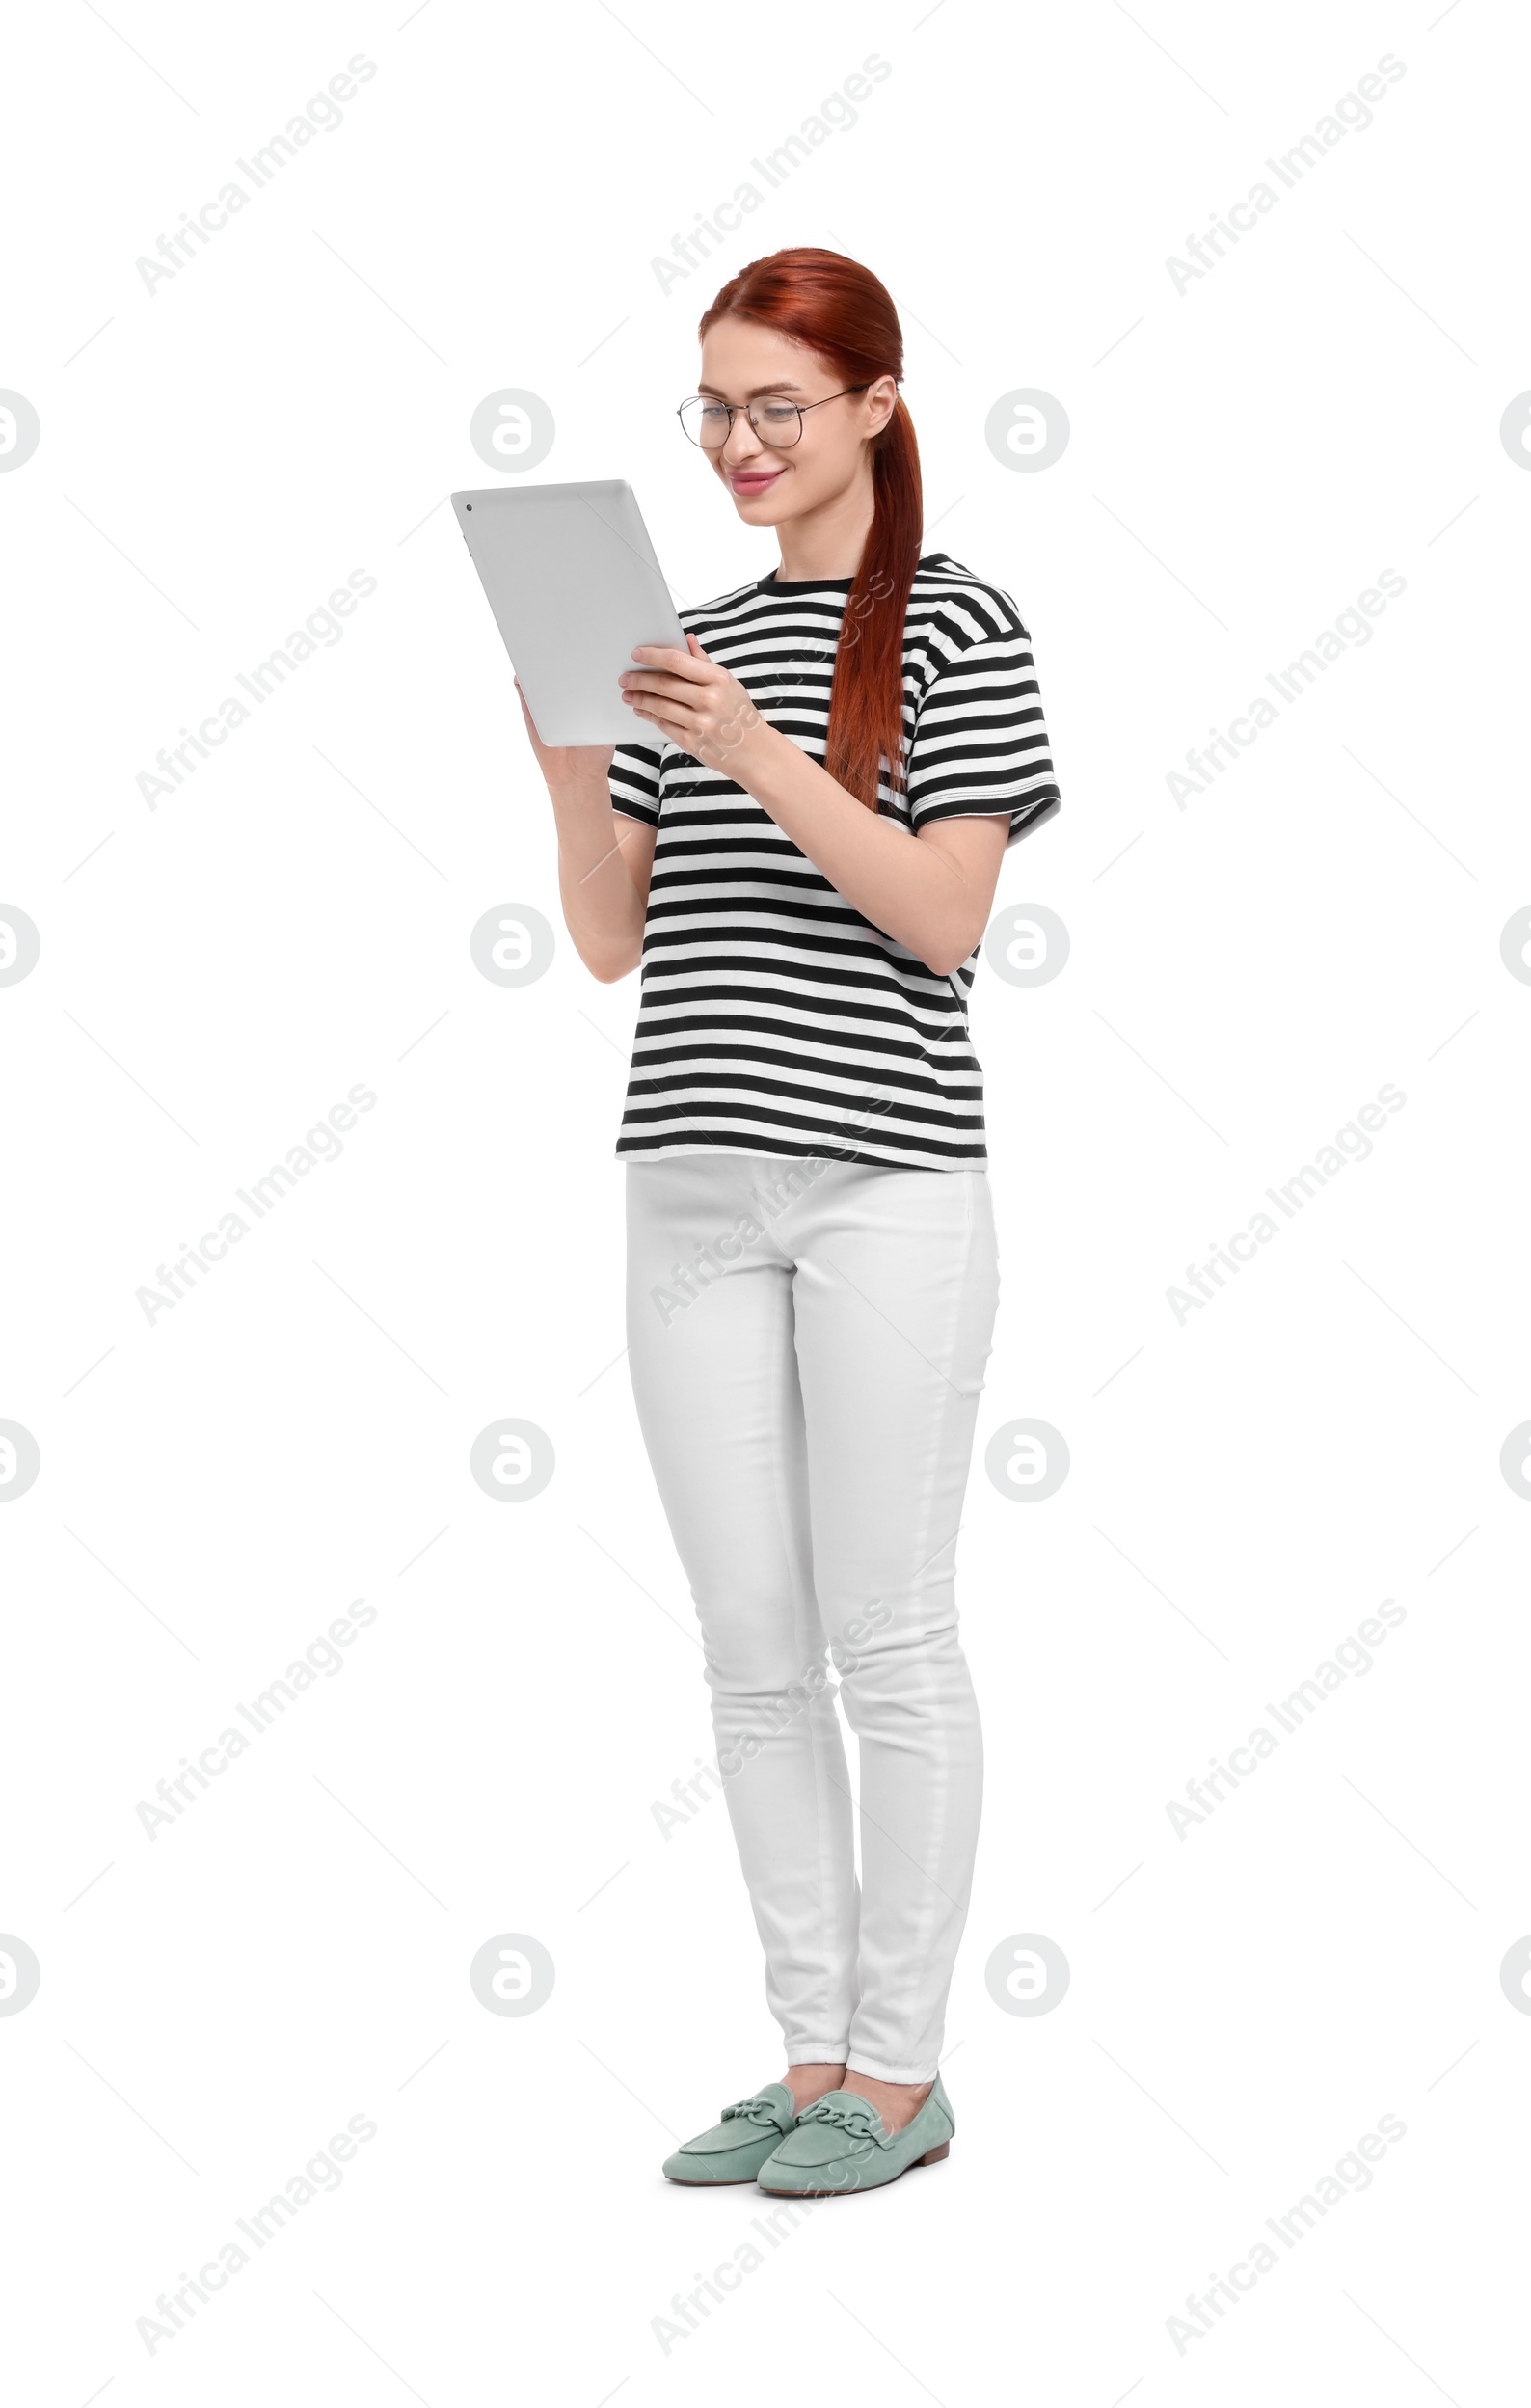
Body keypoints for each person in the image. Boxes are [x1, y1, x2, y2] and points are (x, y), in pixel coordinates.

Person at [517, 247, 1061, 2195]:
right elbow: (607, 942)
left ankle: (902, 2078)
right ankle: (810, 2050)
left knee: (884, 1631)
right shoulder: (689, 645)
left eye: (773, 406)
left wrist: (745, 746)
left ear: (873, 409)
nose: (736, 444)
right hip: (685, 1179)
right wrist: (578, 762)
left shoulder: (954, 630)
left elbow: (939, 916)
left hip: (887, 1182)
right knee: (750, 1641)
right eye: (712, 407)